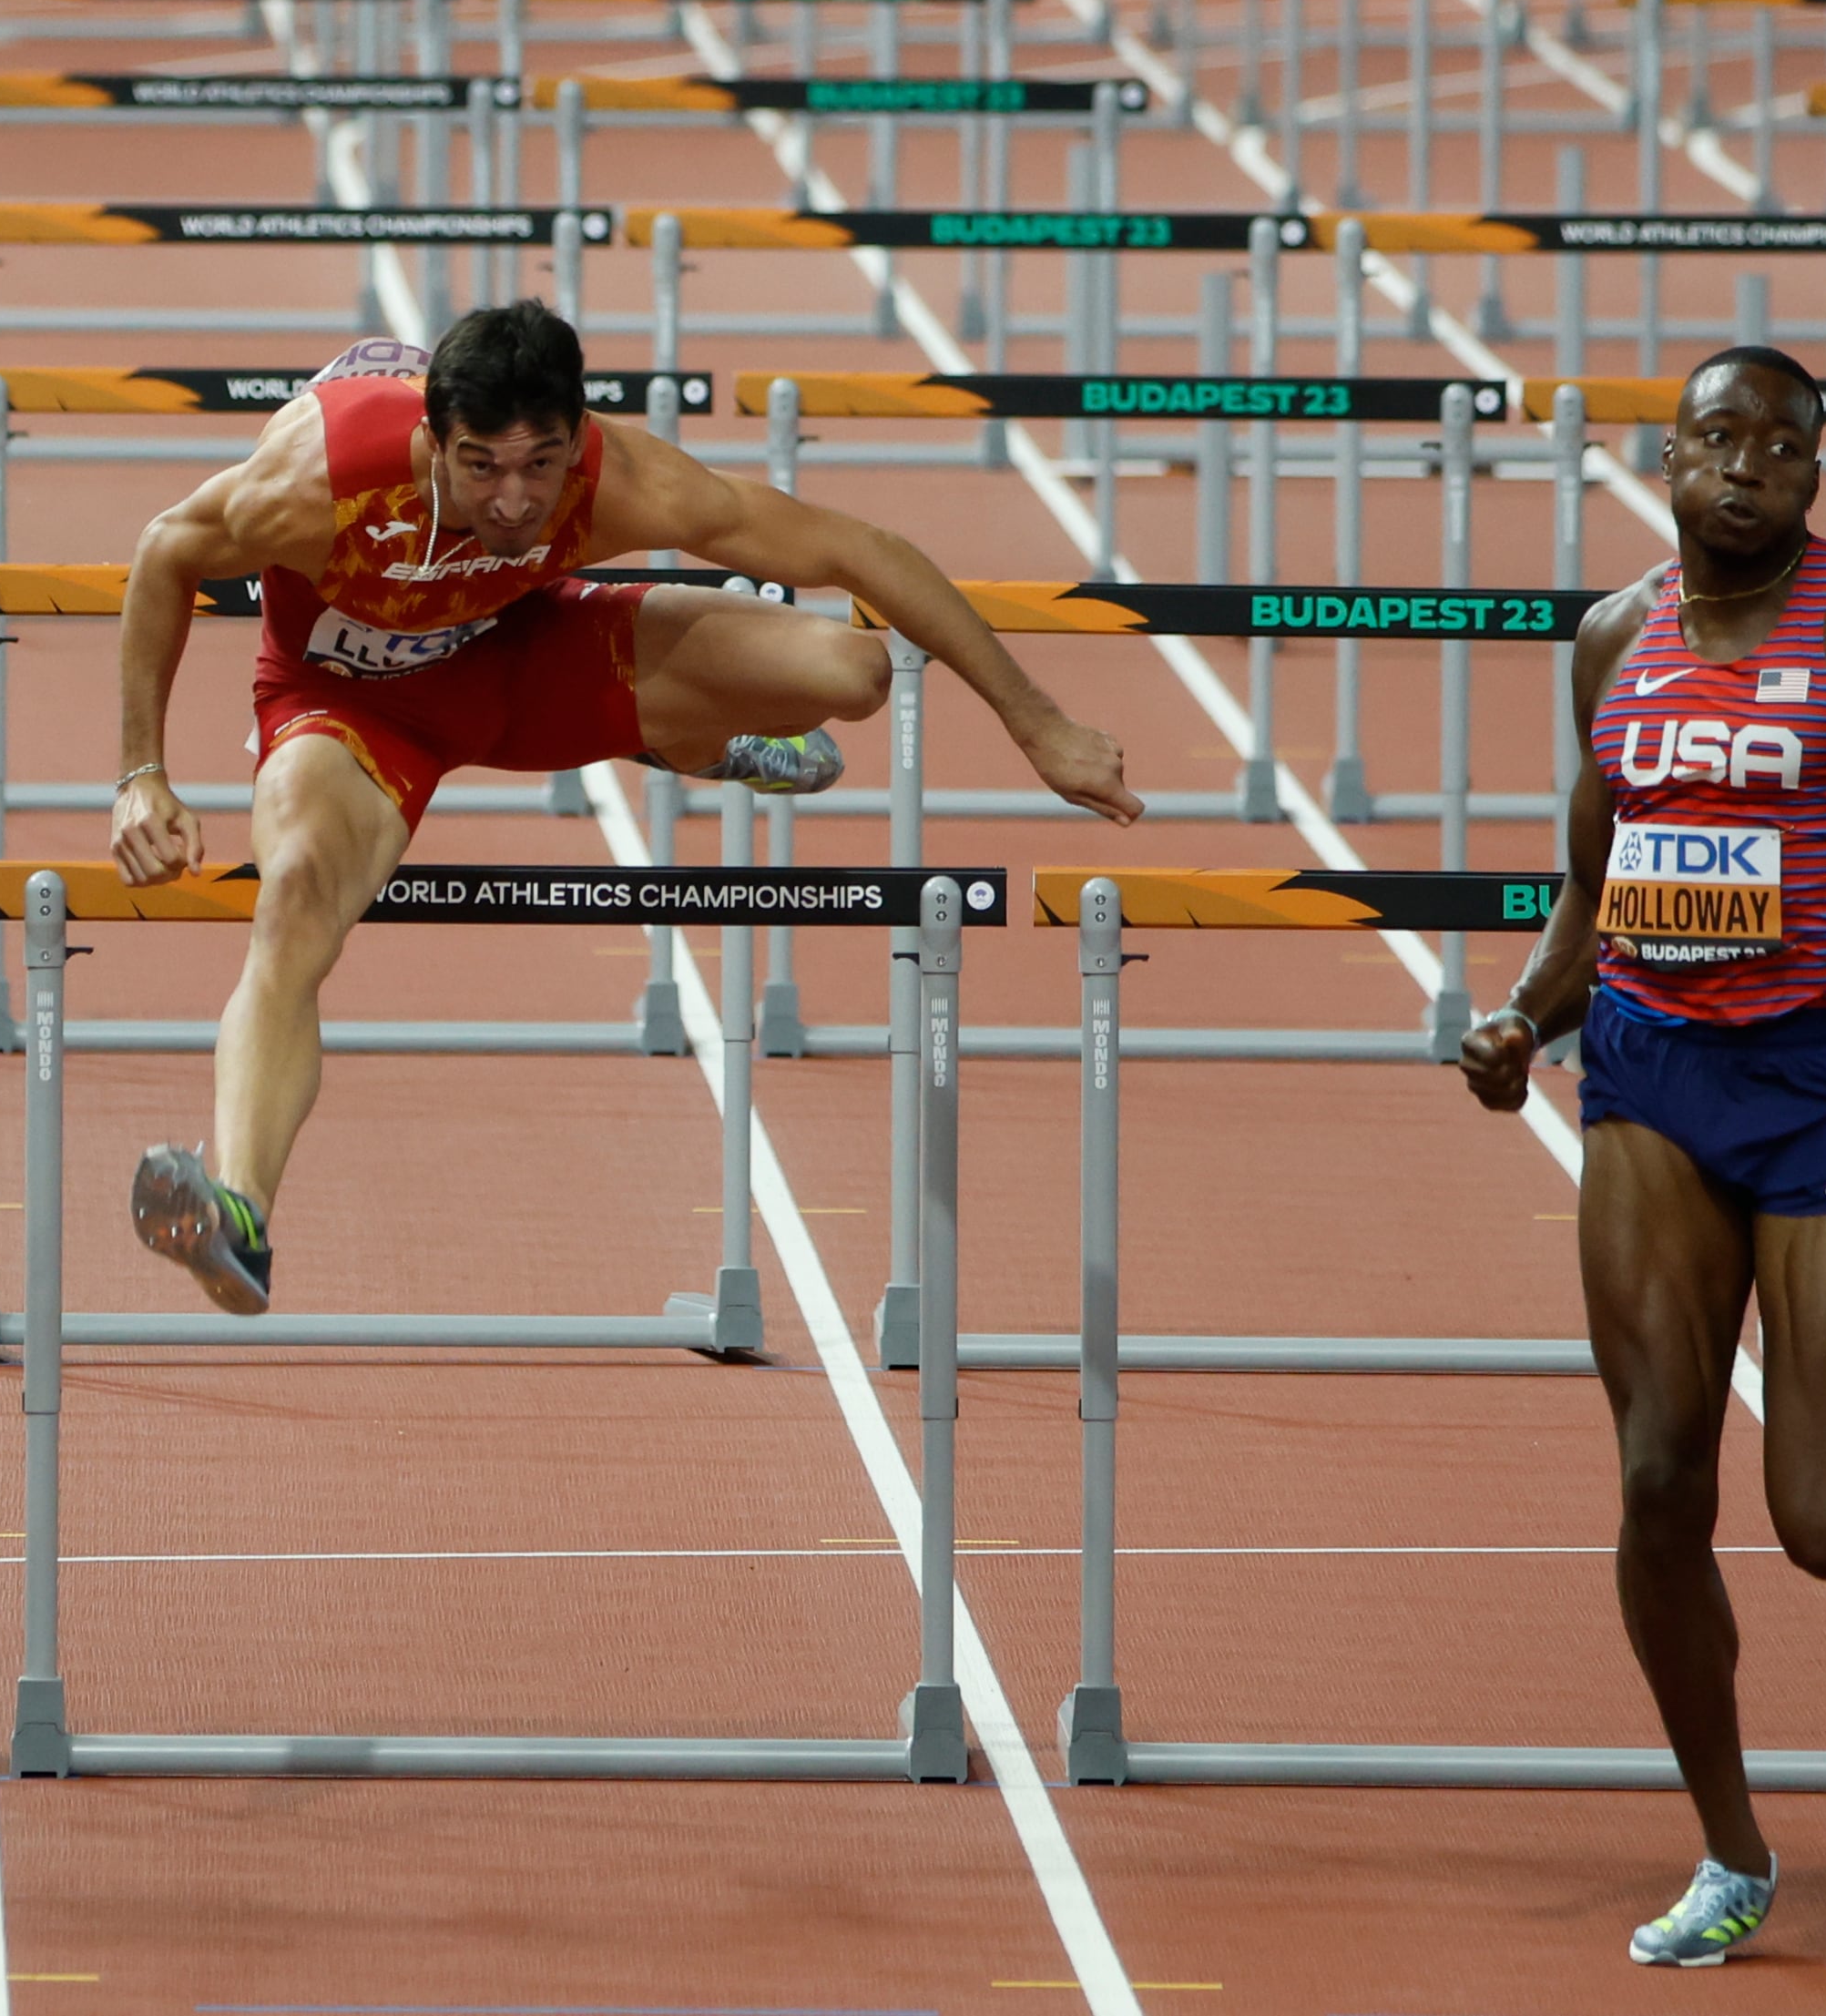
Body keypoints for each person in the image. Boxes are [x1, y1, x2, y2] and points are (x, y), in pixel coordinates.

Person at [106, 302, 1142, 1314]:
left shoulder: (618, 479)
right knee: (292, 901)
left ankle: (685, 737)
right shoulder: (319, 481)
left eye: (539, 465)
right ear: (431, 440)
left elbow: (856, 551)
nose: (514, 499)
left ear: (575, 440)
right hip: (352, 709)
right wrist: (140, 773)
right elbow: (164, 551)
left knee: (852, 668)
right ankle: (238, 1213)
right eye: (481, 467)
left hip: (525, 659)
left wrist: (1034, 724)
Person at [1458, 346, 1826, 1967]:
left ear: (1812, 475)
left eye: (1775, 449)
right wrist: (1525, 1014)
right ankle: (1729, 1847)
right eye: (1714, 439)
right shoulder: (1611, 640)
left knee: (1825, 1530)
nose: (1742, 470)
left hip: (1819, 1090)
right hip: (1650, 1075)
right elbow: (1596, 882)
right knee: (1659, 1469)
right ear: (1667, 456)